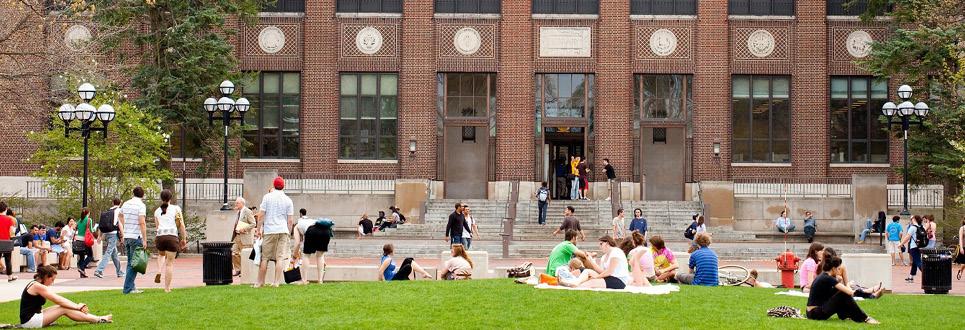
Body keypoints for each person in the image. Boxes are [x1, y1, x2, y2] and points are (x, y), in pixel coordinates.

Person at [18, 265, 112, 328]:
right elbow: (58, 299)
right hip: (29, 322)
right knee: (63, 308)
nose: (53, 282)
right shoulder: (37, 286)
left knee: (62, 307)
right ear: (46, 277)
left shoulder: (36, 284)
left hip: (34, 316)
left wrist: (77, 306)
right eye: (52, 279)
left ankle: (98, 318)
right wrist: (77, 306)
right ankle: (99, 319)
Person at [805, 256, 880, 324]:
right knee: (844, 294)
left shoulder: (823, 276)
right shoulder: (828, 278)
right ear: (833, 268)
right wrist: (868, 295)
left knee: (838, 292)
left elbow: (834, 295)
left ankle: (844, 316)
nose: (839, 271)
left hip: (811, 313)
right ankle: (865, 318)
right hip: (816, 313)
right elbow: (850, 292)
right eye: (838, 269)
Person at [255, 176, 295, 288]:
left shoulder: (267, 197)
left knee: (265, 258)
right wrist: (289, 232)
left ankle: (260, 282)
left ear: (274, 185)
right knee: (280, 257)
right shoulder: (288, 200)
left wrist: (258, 229)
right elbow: (290, 220)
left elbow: (261, 215)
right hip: (283, 230)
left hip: (269, 230)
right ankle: (276, 282)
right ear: (283, 186)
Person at [152, 190, 187, 293]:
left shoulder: (157, 211)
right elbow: (181, 225)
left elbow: (157, 227)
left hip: (160, 237)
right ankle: (167, 288)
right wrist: (184, 239)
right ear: (170, 198)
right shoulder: (176, 209)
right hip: (171, 237)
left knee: (161, 255)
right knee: (169, 264)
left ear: (161, 198)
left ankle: (158, 270)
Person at [293, 211, 334, 284]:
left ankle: (304, 280)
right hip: (326, 231)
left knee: (306, 255)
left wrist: (294, 256)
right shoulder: (310, 221)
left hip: (312, 231)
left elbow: (297, 243)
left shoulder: (296, 226)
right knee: (320, 256)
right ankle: (320, 280)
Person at [120, 186, 148, 294]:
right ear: (143, 195)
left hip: (127, 236)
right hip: (136, 236)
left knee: (130, 263)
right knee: (135, 264)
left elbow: (120, 215)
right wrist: (144, 239)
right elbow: (142, 222)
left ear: (133, 193)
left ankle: (132, 287)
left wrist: (124, 226)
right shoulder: (141, 205)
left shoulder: (126, 203)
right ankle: (127, 288)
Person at [94, 198, 124, 279]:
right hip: (113, 234)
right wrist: (123, 236)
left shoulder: (107, 211)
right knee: (108, 252)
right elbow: (120, 224)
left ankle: (119, 272)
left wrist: (100, 236)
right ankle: (99, 270)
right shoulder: (120, 211)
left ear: (112, 203)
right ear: (120, 203)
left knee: (114, 254)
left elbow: (101, 224)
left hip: (106, 233)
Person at [231, 197, 256, 277]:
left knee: (245, 254)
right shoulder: (238, 212)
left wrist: (244, 228)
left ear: (242, 203)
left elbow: (253, 224)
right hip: (237, 236)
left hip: (245, 237)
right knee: (234, 253)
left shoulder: (248, 211)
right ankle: (238, 269)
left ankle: (245, 271)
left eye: (237, 203)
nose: (236, 204)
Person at [900, 215, 925, 283]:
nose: (911, 220)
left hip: (914, 247)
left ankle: (927, 275)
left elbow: (907, 237)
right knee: (915, 262)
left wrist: (901, 244)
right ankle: (911, 277)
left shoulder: (913, 227)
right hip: (920, 246)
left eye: (912, 219)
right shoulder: (921, 227)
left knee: (918, 262)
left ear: (914, 219)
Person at [73, 209, 96, 278]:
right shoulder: (89, 220)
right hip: (85, 240)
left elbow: (75, 228)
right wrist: (95, 228)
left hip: (78, 240)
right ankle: (82, 267)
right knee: (90, 255)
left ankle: (82, 273)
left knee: (82, 256)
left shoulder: (80, 220)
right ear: (88, 213)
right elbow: (91, 230)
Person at [0, 201, 17, 281]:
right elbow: (12, 232)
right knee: (8, 259)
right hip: (6, 241)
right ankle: (10, 276)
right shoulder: (9, 219)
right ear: (5, 209)